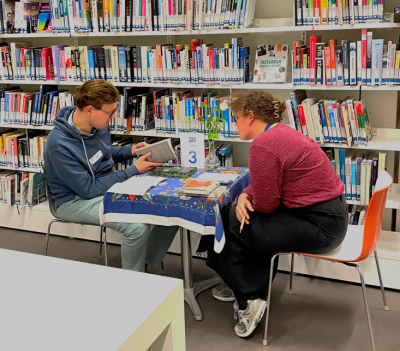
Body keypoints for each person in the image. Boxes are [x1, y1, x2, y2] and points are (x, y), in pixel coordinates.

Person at [206, 90, 348, 338]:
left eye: (236, 117)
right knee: (238, 218)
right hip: (330, 217)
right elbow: (269, 182)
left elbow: (267, 205)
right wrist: (245, 195)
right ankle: (248, 286)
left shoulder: (263, 145)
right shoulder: (279, 133)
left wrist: (246, 199)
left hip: (319, 225)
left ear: (250, 117)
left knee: (229, 223)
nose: (234, 123)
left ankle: (249, 298)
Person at [43, 80, 178, 272]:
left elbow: (103, 152)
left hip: (107, 184)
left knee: (170, 203)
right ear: (89, 110)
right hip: (73, 200)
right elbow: (89, 189)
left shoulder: (96, 124)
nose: (113, 117)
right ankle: (133, 282)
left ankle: (146, 260)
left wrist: (131, 151)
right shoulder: (59, 145)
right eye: (110, 113)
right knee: (136, 228)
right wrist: (132, 170)